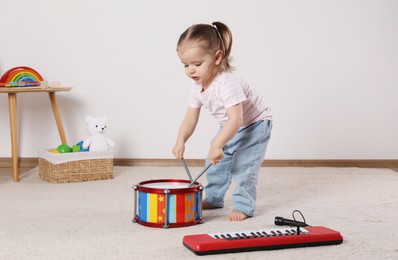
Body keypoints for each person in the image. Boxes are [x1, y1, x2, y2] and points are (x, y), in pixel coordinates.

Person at [172, 21, 273, 221]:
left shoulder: (227, 83)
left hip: (255, 124)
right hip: (231, 125)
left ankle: (244, 206)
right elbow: (190, 118)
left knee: (244, 166)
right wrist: (180, 140)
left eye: (197, 64)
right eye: (186, 65)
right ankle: (214, 197)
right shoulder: (196, 86)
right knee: (215, 160)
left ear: (217, 57)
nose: (191, 70)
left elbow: (237, 120)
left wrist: (218, 144)